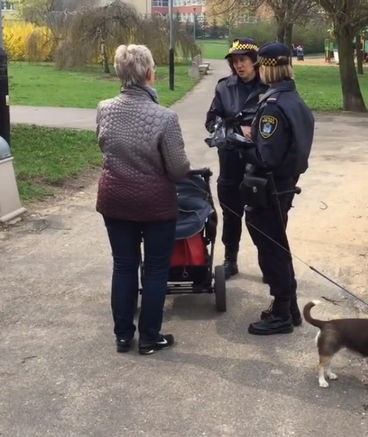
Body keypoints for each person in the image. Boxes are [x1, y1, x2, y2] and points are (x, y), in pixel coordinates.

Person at [96, 44, 191, 355]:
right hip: (155, 204)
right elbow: (178, 169)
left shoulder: (105, 109)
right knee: (155, 269)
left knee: (123, 266)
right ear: (150, 73)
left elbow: (104, 146)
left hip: (116, 198)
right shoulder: (164, 118)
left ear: (120, 74)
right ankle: (150, 337)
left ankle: (123, 335)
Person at [234, 42, 315, 336]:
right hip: (284, 185)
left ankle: (281, 311)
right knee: (278, 245)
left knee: (271, 250)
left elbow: (266, 157)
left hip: (268, 188)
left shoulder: (273, 106)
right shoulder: (294, 100)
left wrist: (241, 145)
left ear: (267, 67)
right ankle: (289, 307)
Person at [205, 37, 269, 280]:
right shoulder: (224, 87)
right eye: (234, 61)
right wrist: (235, 129)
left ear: (255, 61)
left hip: (258, 163)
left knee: (261, 215)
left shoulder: (267, 87)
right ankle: (230, 259)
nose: (238, 65)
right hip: (230, 160)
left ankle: (267, 262)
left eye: (243, 60)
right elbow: (211, 122)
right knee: (232, 213)